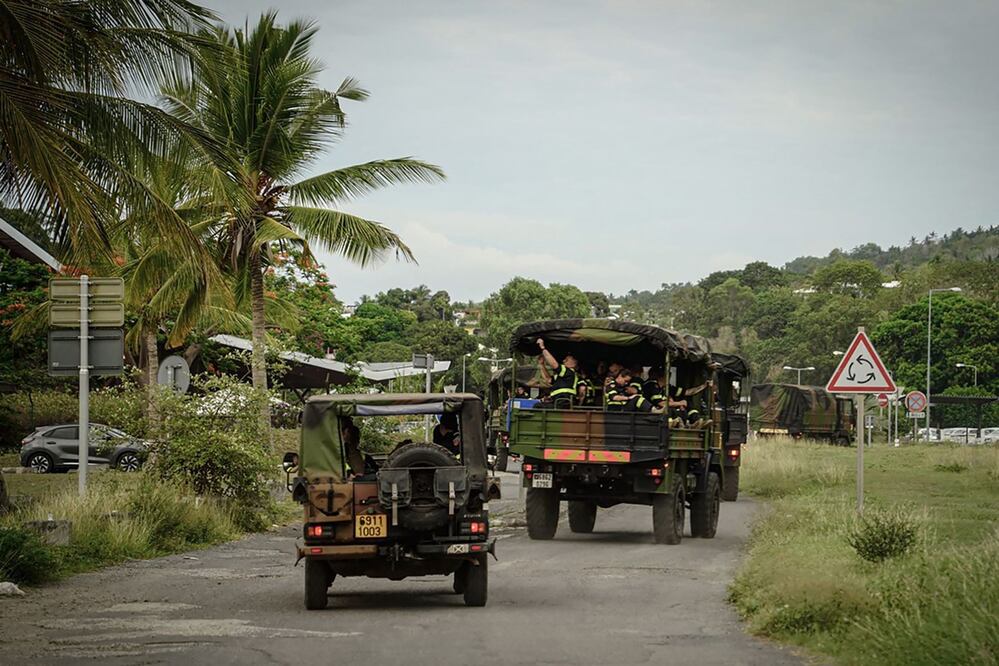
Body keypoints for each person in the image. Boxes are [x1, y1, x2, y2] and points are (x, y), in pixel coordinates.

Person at [536, 338, 578, 407]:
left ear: (574, 363)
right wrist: (541, 364)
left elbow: (554, 365)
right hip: (558, 401)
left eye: (566, 360)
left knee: (537, 406)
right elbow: (548, 379)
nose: (564, 361)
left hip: (564, 402)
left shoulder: (569, 372)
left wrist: (543, 348)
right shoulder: (562, 375)